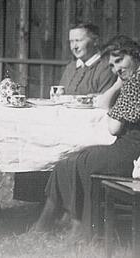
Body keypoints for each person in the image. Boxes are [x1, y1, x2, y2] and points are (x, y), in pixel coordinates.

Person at [32, 35, 140, 235]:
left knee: (72, 162)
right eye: (112, 66)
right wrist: (118, 83)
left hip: (132, 154)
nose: (117, 69)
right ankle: (71, 223)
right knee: (75, 159)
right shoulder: (132, 79)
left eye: (119, 61)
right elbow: (106, 106)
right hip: (131, 150)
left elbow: (114, 127)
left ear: (133, 55)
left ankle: (56, 225)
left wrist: (120, 88)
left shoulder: (135, 82)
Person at [58, 23, 116, 95]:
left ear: (95, 41)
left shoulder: (106, 67)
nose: (74, 46)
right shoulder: (71, 67)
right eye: (71, 41)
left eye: (78, 40)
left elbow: (104, 102)